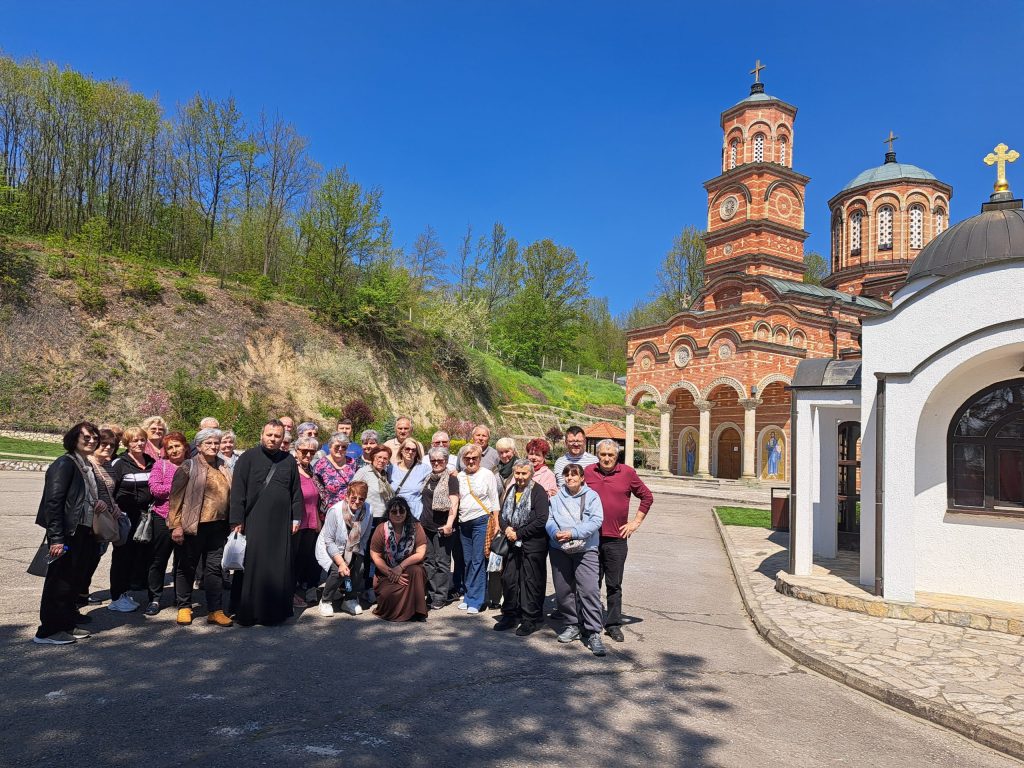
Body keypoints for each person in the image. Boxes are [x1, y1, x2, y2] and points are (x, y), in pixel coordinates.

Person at [32, 422, 104, 645]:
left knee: (72, 580)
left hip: (82, 531)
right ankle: (48, 631)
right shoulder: (64, 464)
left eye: (95, 438)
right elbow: (53, 503)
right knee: (58, 582)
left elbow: (81, 498)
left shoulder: (84, 464)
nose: (92, 441)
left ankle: (66, 623)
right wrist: (56, 537)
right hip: (66, 533)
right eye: (86, 437)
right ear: (74, 438)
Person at [229, 419, 304, 626]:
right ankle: (248, 611)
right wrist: (236, 520)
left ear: (283, 438)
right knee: (252, 566)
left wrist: (296, 517)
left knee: (278, 567)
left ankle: (274, 613)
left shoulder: (288, 461)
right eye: (269, 435)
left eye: (277, 436)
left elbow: (296, 492)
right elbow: (238, 491)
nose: (273, 439)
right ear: (262, 435)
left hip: (281, 524)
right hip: (254, 521)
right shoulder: (248, 457)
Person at [584, 438, 654, 644]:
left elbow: (647, 497)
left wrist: (635, 523)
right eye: (603, 454)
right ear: (597, 455)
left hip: (616, 539)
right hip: (591, 538)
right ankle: (589, 623)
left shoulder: (627, 473)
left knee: (614, 584)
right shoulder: (588, 472)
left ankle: (613, 624)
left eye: (611, 455)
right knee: (591, 584)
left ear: (617, 456)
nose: (607, 458)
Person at [167, 428, 233, 627]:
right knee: (186, 566)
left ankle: (215, 610)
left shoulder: (224, 465)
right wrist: (176, 526)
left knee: (214, 568)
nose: (213, 446)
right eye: (208, 443)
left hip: (218, 526)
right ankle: (184, 607)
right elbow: (175, 498)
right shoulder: (188, 466)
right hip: (192, 526)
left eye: (216, 443)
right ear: (199, 446)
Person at [547, 463, 606, 657]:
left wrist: (573, 533)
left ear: (582, 478)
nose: (570, 478)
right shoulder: (556, 498)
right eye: (567, 475)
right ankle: (572, 624)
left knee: (589, 590)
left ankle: (593, 632)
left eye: (574, 475)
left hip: (585, 549)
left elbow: (596, 520)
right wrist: (555, 533)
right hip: (559, 548)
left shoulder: (592, 496)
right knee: (564, 590)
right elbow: (549, 519)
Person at [493, 459, 550, 635]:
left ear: (531, 473)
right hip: (511, 542)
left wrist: (519, 533)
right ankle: (510, 614)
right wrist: (506, 529)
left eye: (524, 473)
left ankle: (530, 619)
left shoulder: (538, 491)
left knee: (530, 582)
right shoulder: (512, 489)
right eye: (517, 473)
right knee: (509, 579)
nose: (520, 477)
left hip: (532, 544)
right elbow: (502, 514)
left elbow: (541, 519)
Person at [109, 426, 157, 612]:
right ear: (127, 443)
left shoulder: (151, 461)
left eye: (142, 440)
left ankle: (126, 592)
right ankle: (117, 596)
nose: (139, 443)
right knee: (122, 556)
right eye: (134, 440)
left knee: (137, 556)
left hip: (145, 518)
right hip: (125, 517)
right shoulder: (119, 463)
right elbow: (110, 489)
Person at [144, 430, 188, 615]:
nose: (174, 450)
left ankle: (181, 597)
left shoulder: (192, 465)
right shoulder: (160, 465)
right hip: (162, 517)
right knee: (158, 559)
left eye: (177, 446)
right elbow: (155, 489)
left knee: (183, 561)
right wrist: (179, 487)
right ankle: (154, 598)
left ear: (185, 448)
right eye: (170, 447)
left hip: (186, 519)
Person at [456, 444, 500, 614]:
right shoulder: (459, 476)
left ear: (480, 458)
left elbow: (494, 499)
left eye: (474, 458)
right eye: (467, 458)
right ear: (463, 459)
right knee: (467, 561)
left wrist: (496, 523)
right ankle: (468, 596)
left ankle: (477, 600)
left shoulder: (487, 474)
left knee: (478, 560)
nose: (471, 461)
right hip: (464, 521)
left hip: (482, 520)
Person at [316, 481, 371, 617]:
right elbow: (329, 541)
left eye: (361, 499)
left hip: (353, 547)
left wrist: (357, 555)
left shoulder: (369, 510)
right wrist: (341, 562)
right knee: (338, 571)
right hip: (330, 547)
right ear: (347, 496)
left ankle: (349, 599)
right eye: (354, 498)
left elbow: (365, 536)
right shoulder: (335, 511)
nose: (357, 502)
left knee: (359, 568)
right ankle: (325, 600)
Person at [369, 497, 428, 621]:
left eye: (402, 511)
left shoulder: (416, 527)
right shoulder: (381, 529)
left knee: (416, 571)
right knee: (388, 595)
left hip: (408, 570)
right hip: (386, 572)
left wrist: (400, 567)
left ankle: (417, 612)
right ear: (388, 513)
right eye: (394, 511)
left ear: (407, 512)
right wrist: (391, 572)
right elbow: (375, 555)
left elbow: (420, 553)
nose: (398, 514)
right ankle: (397, 612)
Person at [82, 429, 123, 606]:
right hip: (89, 519)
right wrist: (95, 501)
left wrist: (115, 505)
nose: (108, 447)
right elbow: (81, 490)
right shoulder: (87, 464)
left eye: (112, 445)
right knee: (85, 558)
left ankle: (82, 592)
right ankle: (77, 595)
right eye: (104, 444)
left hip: (105, 518)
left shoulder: (108, 466)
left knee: (95, 557)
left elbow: (111, 492)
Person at [419, 447, 460, 609]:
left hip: (442, 526)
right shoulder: (428, 477)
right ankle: (431, 593)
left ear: (446, 461)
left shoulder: (451, 479)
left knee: (442, 562)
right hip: (426, 526)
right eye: (433, 460)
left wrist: (449, 524)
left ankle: (440, 596)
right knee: (428, 561)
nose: (436, 463)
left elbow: (454, 503)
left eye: (440, 460)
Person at [293, 435, 326, 608]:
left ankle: (294, 591)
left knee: (302, 560)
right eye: (304, 451)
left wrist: (318, 521)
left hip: (311, 522)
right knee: (292, 560)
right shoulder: (291, 470)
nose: (308, 455)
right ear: (296, 450)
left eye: (312, 452)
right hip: (296, 523)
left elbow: (316, 499)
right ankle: (289, 594)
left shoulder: (311, 471)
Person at [313, 432, 357, 510]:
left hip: (350, 509)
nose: (340, 449)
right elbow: (316, 489)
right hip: (330, 510)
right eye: (337, 446)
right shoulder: (321, 464)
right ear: (330, 447)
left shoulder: (352, 463)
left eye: (344, 447)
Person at [392, 437, 429, 520]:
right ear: (401, 450)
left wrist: (453, 472)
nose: (410, 452)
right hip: (396, 512)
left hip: (415, 514)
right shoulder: (392, 468)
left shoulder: (424, 469)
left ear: (417, 453)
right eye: (407, 449)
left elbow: (438, 473)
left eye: (413, 450)